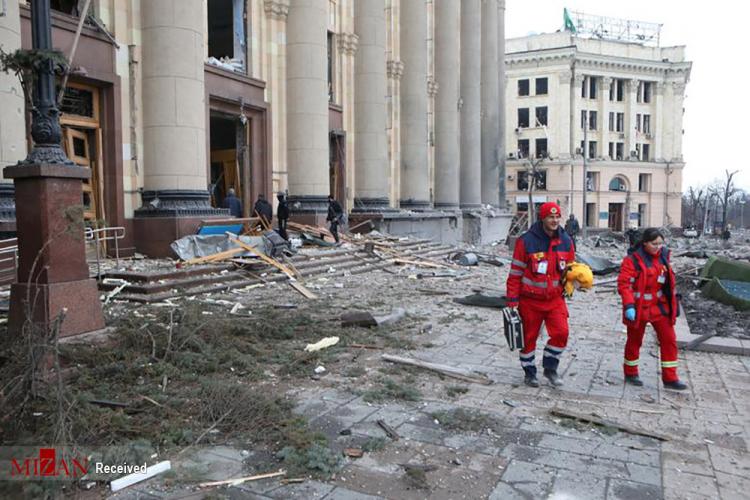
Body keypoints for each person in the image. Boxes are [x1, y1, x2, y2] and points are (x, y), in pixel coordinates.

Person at [506, 202, 576, 387]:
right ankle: (529, 372)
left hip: (555, 300)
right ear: (542, 218)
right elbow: (515, 274)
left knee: (562, 333)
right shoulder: (526, 241)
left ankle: (550, 368)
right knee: (529, 338)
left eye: (556, 217)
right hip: (530, 301)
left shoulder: (566, 240)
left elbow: (571, 269)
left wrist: (576, 281)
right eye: (550, 217)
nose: (554, 220)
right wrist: (512, 301)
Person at [617, 228, 687, 391]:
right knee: (635, 340)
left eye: (660, 243)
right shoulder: (632, 260)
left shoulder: (664, 257)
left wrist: (673, 303)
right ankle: (631, 372)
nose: (658, 247)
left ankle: (670, 378)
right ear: (645, 243)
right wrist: (629, 305)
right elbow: (624, 284)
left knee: (669, 340)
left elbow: (669, 283)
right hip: (639, 307)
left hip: (659, 306)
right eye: (654, 244)